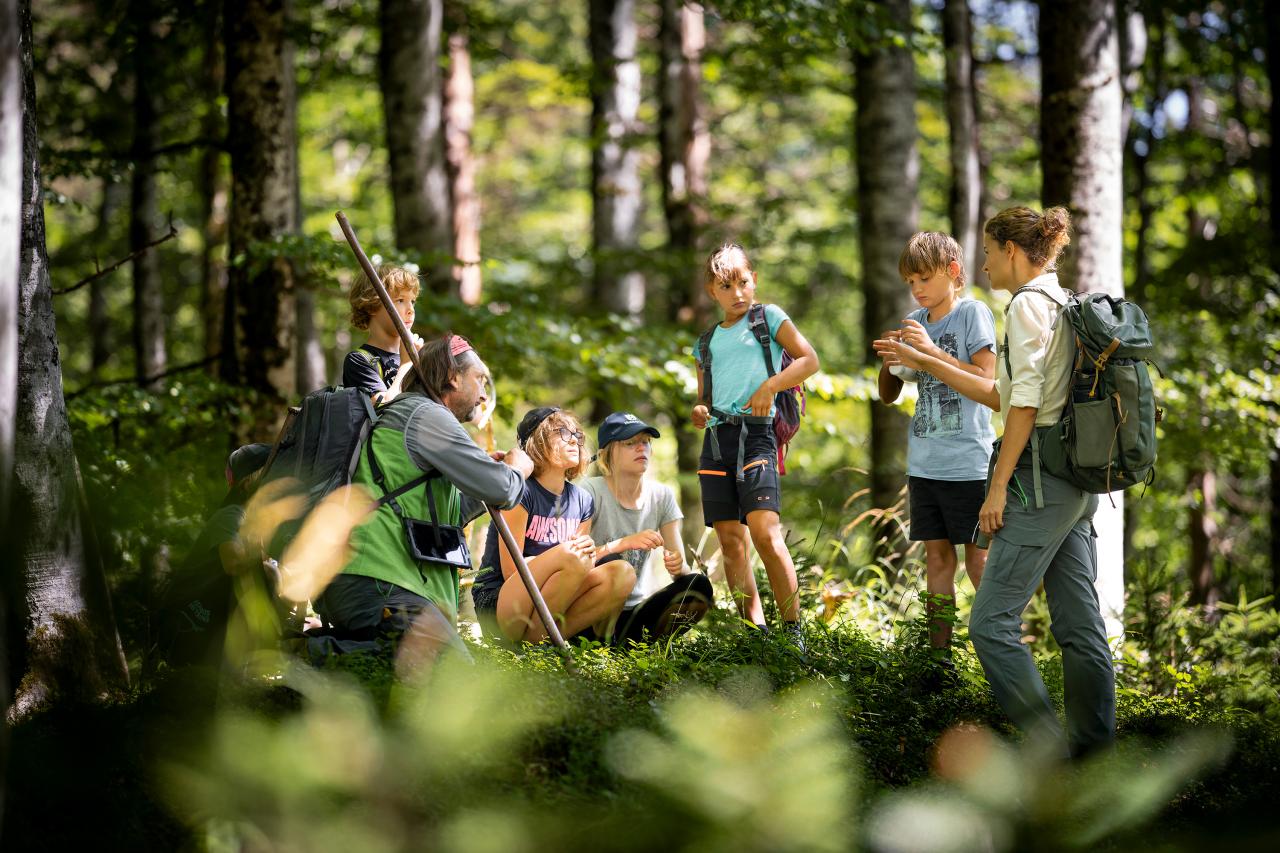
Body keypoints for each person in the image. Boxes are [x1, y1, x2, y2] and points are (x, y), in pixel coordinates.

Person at [874, 206, 1115, 757]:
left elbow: (1021, 404)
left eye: (987, 251)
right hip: (1077, 484)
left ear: (1011, 250)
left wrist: (999, 483)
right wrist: (923, 360)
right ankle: (1096, 755)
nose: (983, 262)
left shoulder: (1027, 306)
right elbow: (1001, 394)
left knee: (989, 626)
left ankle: (1051, 753)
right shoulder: (1063, 300)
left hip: (1041, 480)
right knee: (1080, 628)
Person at [309, 335, 532, 669]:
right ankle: (295, 658)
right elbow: (503, 489)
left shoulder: (409, 415)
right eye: (479, 379)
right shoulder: (426, 415)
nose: (485, 393)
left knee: (424, 677)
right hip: (380, 580)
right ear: (453, 377)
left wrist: (483, 475)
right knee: (453, 674)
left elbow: (452, 511)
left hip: (374, 580)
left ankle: (322, 655)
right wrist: (517, 468)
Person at [692, 242, 820, 649]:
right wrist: (699, 412)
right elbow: (704, 400)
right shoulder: (706, 341)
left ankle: (793, 631)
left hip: (758, 435)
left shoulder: (770, 319)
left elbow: (809, 360)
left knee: (765, 532)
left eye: (743, 282)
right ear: (712, 291)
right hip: (716, 440)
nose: (737, 293)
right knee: (730, 539)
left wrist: (771, 385)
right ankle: (755, 635)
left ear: (755, 280)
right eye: (726, 287)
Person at [877, 232, 995, 652]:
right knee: (937, 560)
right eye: (910, 281)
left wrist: (929, 353)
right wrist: (891, 361)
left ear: (953, 272)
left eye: (924, 278)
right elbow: (889, 395)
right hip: (926, 464)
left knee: (979, 560)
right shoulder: (915, 322)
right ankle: (939, 658)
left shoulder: (972, 314)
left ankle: (999, 650)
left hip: (969, 463)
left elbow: (987, 380)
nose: (917, 289)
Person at [471, 408, 636, 644]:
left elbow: (578, 570)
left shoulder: (582, 500)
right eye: (562, 432)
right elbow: (511, 571)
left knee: (622, 573)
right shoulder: (521, 491)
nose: (574, 440)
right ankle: (535, 650)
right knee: (573, 555)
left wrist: (590, 554)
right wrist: (562, 558)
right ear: (536, 442)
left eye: (577, 435)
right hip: (500, 604)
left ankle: (539, 646)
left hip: (550, 604)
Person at [581, 412, 713, 645]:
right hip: (589, 613)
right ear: (607, 454)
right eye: (630, 443)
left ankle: (640, 648)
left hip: (635, 614)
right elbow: (573, 563)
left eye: (645, 442)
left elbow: (679, 569)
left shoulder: (662, 496)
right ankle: (603, 649)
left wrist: (677, 564)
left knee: (698, 585)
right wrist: (623, 543)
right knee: (611, 564)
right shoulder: (588, 492)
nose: (641, 448)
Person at [156, 443, 271, 669]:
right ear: (248, 483)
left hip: (210, 633)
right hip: (188, 628)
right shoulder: (231, 515)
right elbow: (234, 563)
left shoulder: (251, 521)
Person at [341, 263, 423, 402]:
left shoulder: (422, 357)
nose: (411, 309)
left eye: (413, 301)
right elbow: (384, 408)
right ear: (372, 305)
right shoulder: (359, 361)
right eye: (400, 300)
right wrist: (406, 364)